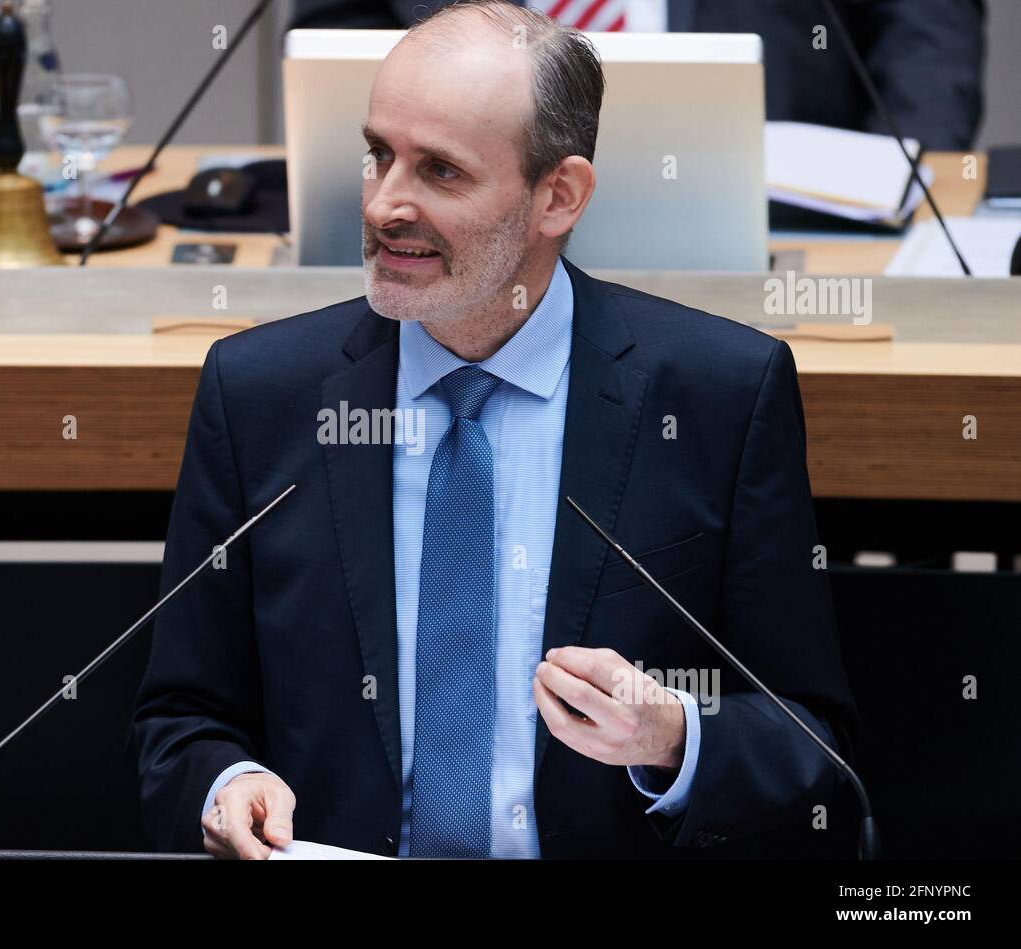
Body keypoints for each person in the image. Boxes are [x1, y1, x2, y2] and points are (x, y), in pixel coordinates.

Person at [131, 0, 857, 859]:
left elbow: (815, 752)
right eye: (378, 156)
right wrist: (225, 782)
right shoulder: (260, 395)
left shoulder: (717, 395)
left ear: (560, 196)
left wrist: (673, 736)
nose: (385, 205)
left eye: (440, 171)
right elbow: (181, 720)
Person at [291, 0, 985, 151]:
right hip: (459, 234)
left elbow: (927, 26)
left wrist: (913, 178)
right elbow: (339, 32)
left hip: (788, 234)